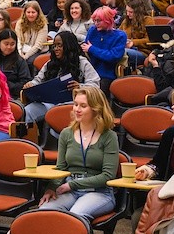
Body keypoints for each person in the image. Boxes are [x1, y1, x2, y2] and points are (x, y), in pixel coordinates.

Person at [39, 85, 119, 223]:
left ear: (96, 109)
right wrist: (51, 189)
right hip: (69, 189)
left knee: (74, 217)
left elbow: (108, 175)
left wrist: (72, 185)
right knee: (43, 212)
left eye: (83, 106)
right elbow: (60, 168)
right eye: (75, 104)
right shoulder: (66, 133)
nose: (77, 109)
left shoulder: (109, 136)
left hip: (98, 192)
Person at [22, 30, 101, 125]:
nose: (56, 49)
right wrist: (31, 84)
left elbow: (96, 85)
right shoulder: (50, 63)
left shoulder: (82, 62)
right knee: (28, 110)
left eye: (60, 45)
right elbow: (37, 80)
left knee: (59, 115)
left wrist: (80, 87)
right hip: (49, 102)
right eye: (54, 46)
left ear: (68, 46)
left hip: (72, 104)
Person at [83, 6, 127, 94]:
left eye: (99, 21)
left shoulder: (120, 36)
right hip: (90, 72)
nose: (96, 23)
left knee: (96, 93)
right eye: (94, 20)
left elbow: (113, 57)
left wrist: (92, 49)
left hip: (107, 73)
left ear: (107, 20)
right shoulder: (92, 30)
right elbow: (85, 48)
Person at [0, 29, 32, 98]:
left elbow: (25, 83)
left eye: (12, 44)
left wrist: (5, 84)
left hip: (13, 96)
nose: (9, 47)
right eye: (6, 44)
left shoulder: (20, 61)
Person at [122, 0, 155, 71]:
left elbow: (150, 40)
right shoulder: (126, 21)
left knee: (122, 52)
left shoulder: (148, 20)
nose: (128, 14)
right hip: (126, 48)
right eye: (127, 11)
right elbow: (119, 34)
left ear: (138, 12)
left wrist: (133, 42)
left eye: (131, 12)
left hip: (142, 52)